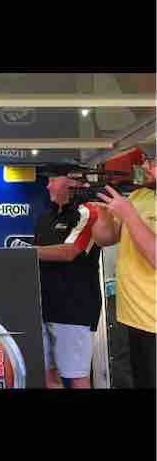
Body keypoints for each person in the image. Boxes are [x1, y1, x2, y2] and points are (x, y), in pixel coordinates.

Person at [91, 153, 156, 389]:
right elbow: (104, 238)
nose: (145, 166)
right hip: (133, 317)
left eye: (152, 161)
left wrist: (129, 214)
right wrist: (104, 211)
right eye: (146, 159)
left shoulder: (132, 204)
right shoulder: (139, 195)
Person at [33, 175, 101, 389]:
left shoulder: (89, 212)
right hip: (43, 307)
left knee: (77, 376)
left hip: (74, 309)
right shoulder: (45, 217)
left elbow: (70, 252)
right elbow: (39, 256)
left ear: (72, 182)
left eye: (53, 180)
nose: (48, 185)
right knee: (47, 375)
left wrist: (24, 252)